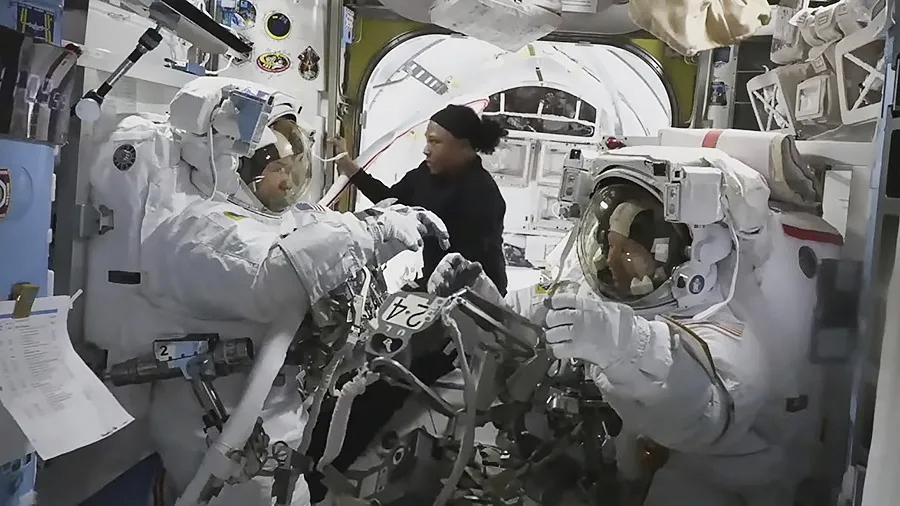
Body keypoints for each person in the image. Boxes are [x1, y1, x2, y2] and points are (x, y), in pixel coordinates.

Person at [77, 76, 449, 505]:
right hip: (216, 435)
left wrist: (389, 227)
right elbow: (273, 275)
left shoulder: (277, 221)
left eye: (294, 165)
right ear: (238, 168)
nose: (289, 179)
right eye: (277, 168)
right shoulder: (198, 232)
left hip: (273, 421)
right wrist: (372, 232)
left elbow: (317, 245)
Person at [430, 144, 844, 506]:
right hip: (604, 457)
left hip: (706, 476)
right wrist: (481, 302)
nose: (611, 262)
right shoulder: (607, 286)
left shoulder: (721, 320)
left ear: (686, 253)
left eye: (628, 251)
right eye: (609, 245)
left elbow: (705, 410)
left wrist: (628, 345)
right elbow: (542, 311)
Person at [329, 104, 509, 296]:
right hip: (436, 280)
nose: (426, 150)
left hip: (475, 293)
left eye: (435, 142)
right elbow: (390, 200)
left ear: (463, 146)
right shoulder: (426, 174)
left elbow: (474, 264)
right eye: (427, 141)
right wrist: (348, 166)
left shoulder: (483, 194)